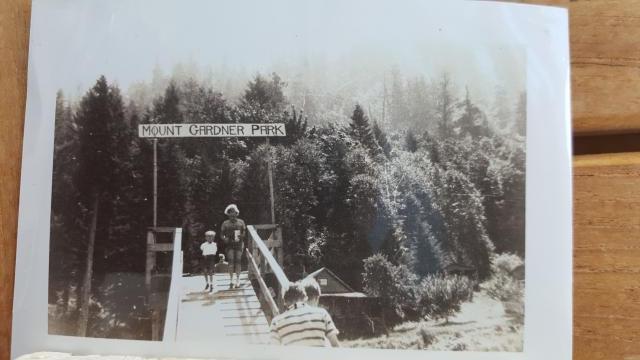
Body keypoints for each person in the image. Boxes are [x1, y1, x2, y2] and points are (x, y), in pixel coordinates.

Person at [270, 281, 340, 347]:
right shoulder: (322, 314)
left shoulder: (276, 322)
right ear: (305, 298)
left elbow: (274, 352)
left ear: (285, 302)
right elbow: (335, 345)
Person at [220, 204, 246, 289]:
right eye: (230, 212)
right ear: (228, 214)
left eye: (233, 212)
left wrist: (242, 236)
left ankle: (238, 280)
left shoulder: (241, 222)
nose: (232, 214)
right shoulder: (225, 223)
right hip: (229, 245)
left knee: (238, 261)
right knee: (231, 262)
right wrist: (224, 239)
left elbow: (244, 232)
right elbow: (221, 234)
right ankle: (231, 281)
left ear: (236, 213)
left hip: (239, 244)